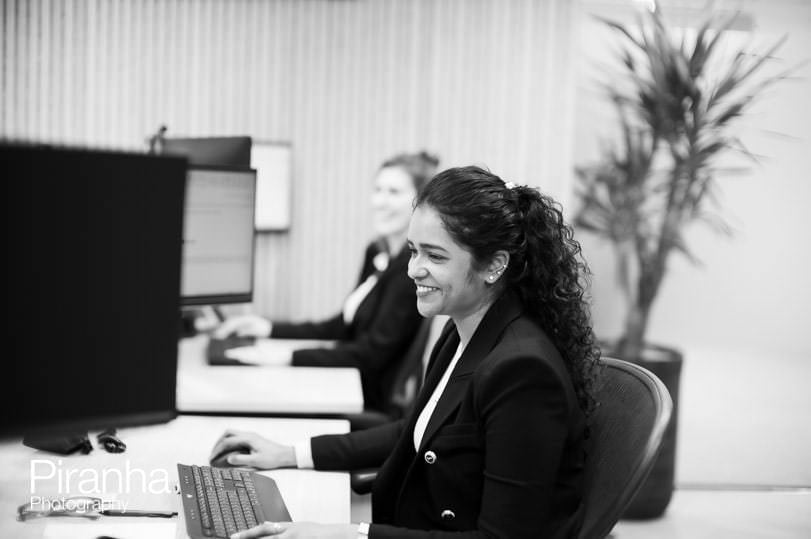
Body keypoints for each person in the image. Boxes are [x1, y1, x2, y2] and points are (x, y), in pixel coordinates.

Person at [210, 166, 602, 538]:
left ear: (494, 266)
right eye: (413, 251)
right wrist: (289, 453)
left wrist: (347, 534)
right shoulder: (463, 329)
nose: (414, 269)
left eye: (435, 256)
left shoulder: (523, 370)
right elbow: (414, 429)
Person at [214, 152, 439, 413]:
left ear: (418, 203)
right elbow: (340, 327)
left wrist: (289, 357)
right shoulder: (377, 253)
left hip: (365, 397)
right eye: (378, 190)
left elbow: (370, 355)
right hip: (345, 381)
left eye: (394, 192)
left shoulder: (408, 272)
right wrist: (268, 329)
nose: (381, 201)